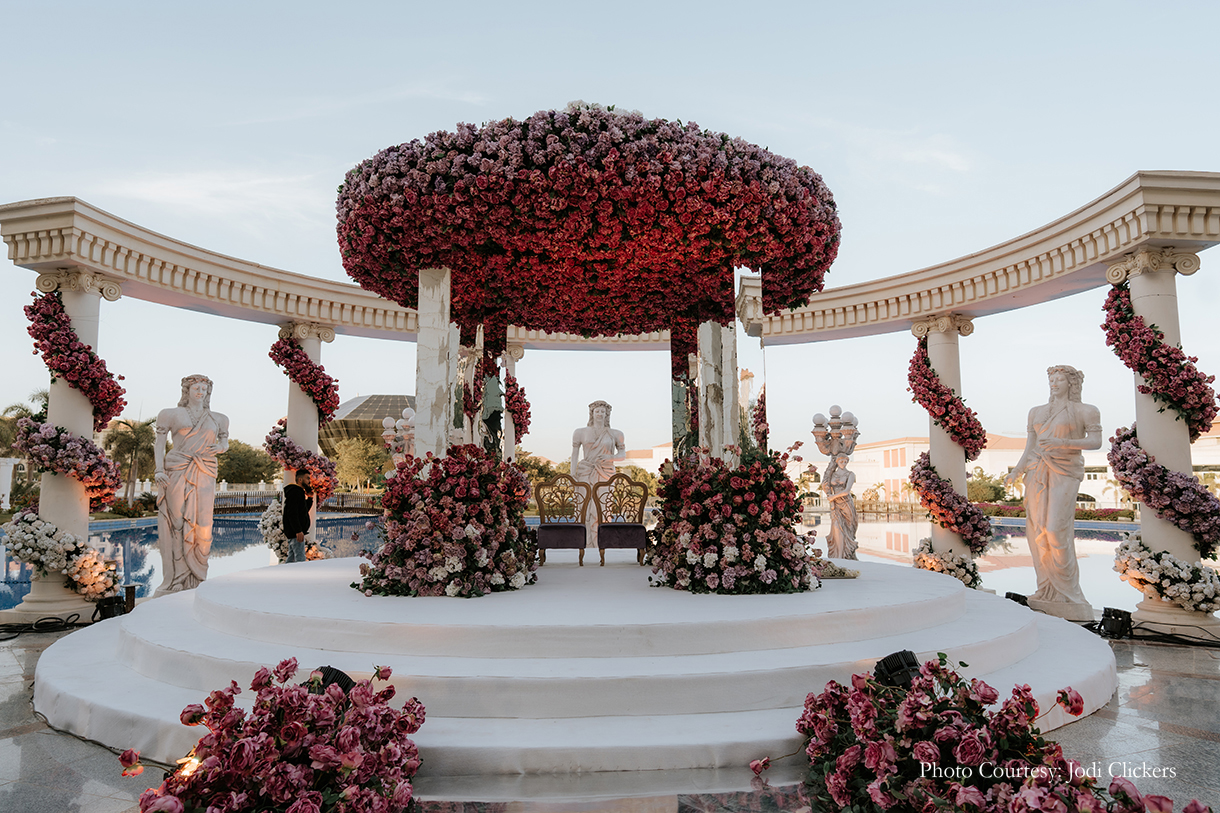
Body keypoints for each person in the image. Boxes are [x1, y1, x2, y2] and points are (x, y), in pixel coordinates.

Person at [1005, 366, 1101, 621]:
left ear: (1072, 383)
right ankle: (1045, 589)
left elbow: (1095, 442)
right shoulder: (1036, 412)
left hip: (1064, 469)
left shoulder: (1086, 410)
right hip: (1036, 470)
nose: (1054, 383)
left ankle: (1068, 592)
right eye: (1051, 379)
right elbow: (1030, 447)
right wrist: (1016, 470)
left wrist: (1064, 443)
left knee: (1056, 529)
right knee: (1037, 531)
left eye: (1059, 379)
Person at [153, 375, 229, 596]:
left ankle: (198, 576)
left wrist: (222, 447)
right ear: (186, 390)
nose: (201, 392)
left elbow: (224, 440)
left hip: (205, 470)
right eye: (196, 388)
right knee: (176, 522)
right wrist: (159, 469)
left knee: (203, 523)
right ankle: (177, 578)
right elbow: (159, 444)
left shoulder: (219, 418)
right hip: (177, 469)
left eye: (204, 389)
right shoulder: (170, 414)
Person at [571, 400, 626, 546]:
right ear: (592, 414)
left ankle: (602, 542)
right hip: (585, 471)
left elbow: (622, 454)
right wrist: (572, 474)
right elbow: (575, 454)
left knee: (603, 507)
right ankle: (586, 543)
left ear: (607, 414)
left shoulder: (616, 433)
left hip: (605, 474)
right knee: (584, 507)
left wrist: (611, 457)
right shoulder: (580, 432)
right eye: (597, 411)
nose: (600, 414)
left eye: (603, 411)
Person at [821, 453, 859, 559]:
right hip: (836, 505)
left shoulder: (850, 474)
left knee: (848, 530)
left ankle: (846, 555)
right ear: (837, 462)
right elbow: (825, 483)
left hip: (846, 504)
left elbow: (847, 491)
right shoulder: (832, 474)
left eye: (846, 461)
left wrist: (832, 497)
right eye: (841, 461)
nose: (844, 463)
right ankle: (838, 556)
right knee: (837, 527)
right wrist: (830, 496)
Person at [282, 469, 313, 563]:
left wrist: (310, 498)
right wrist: (298, 530)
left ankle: (285, 575)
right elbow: (292, 513)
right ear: (300, 480)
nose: (309, 481)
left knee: (291, 558)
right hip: (295, 532)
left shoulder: (298, 492)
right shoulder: (295, 492)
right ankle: (301, 575)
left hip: (295, 531)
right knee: (300, 558)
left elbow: (302, 511)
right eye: (307, 478)